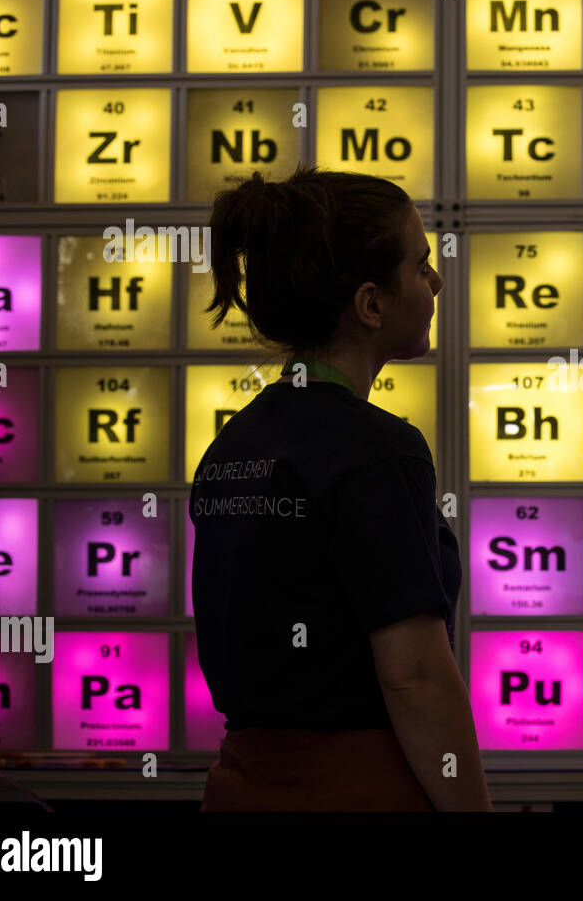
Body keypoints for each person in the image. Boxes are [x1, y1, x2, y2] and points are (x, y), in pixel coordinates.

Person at [190, 166, 492, 811]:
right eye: (419, 267)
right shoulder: (380, 449)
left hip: (238, 790)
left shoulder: (232, 445)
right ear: (371, 304)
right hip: (358, 792)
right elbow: (414, 676)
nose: (435, 283)